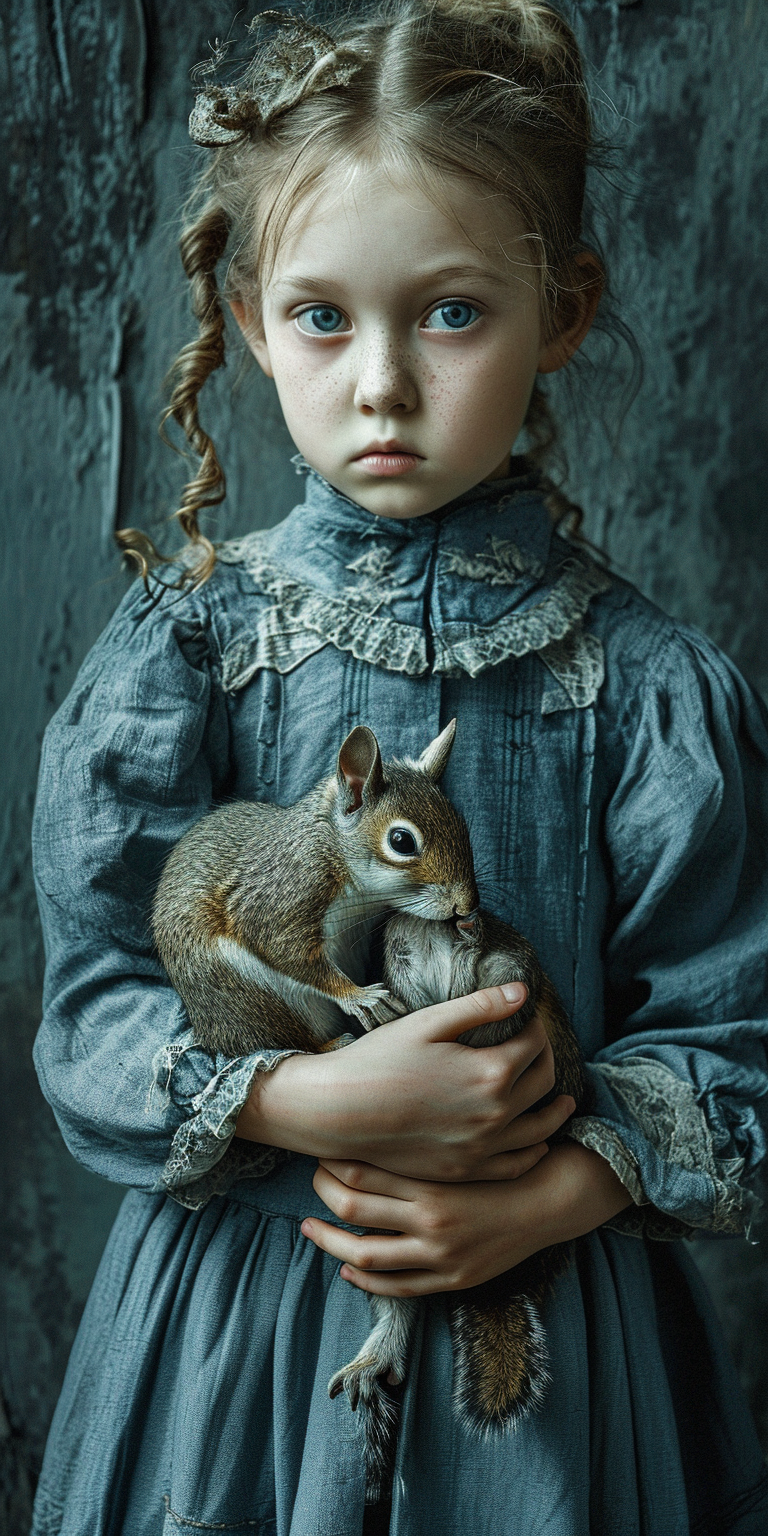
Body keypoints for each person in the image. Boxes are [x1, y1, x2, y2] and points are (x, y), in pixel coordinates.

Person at [29, 3, 768, 1533]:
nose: (380, 383)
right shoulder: (187, 652)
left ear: (561, 312)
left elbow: (734, 1027)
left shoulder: (647, 693)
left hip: (558, 1336)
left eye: (447, 314)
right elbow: (97, 1002)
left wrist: (550, 1197)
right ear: (246, 320)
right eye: (320, 318)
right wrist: (306, 1099)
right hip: (238, 1335)